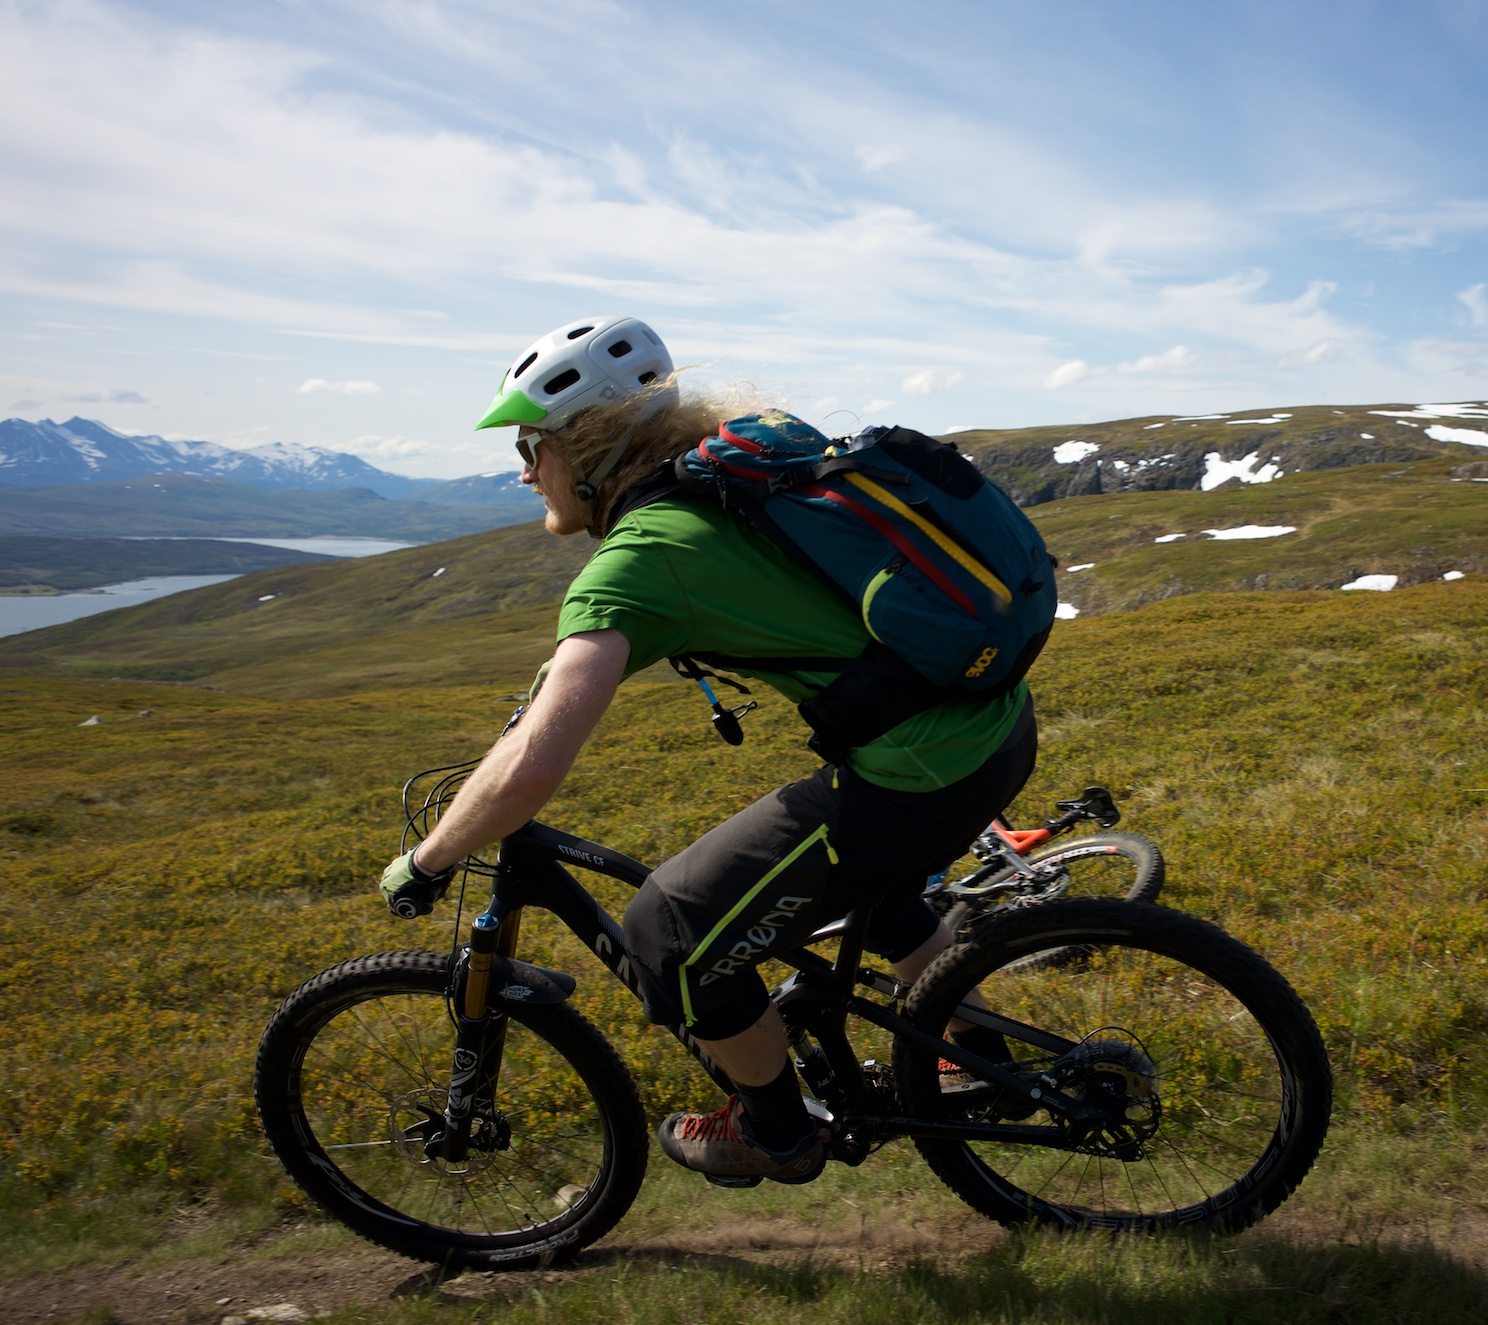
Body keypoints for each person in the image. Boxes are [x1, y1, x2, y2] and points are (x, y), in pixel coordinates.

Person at [376, 315, 1036, 1185]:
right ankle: (977, 1053)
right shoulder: (727, 472)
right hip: (991, 723)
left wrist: (428, 860)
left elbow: (535, 764)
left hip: (921, 769)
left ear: (586, 444)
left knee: (669, 927)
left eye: (533, 447)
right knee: (870, 883)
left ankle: (775, 1132)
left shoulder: (642, 555)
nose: (527, 470)